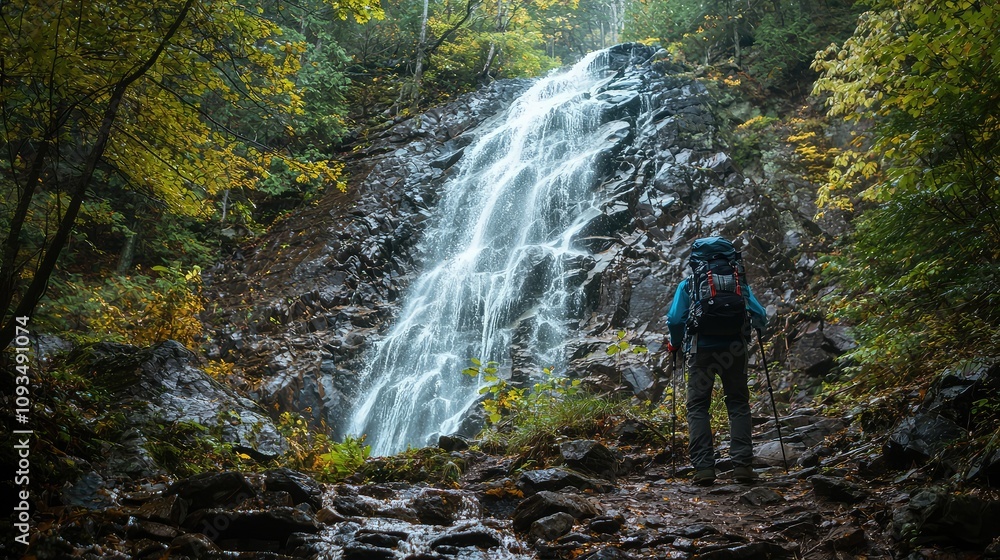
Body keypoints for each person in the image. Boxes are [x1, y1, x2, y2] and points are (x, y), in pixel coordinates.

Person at [665, 237, 767, 486]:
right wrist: (754, 330)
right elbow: (760, 315)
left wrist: (675, 344)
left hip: (701, 351)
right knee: (738, 404)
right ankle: (742, 466)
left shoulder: (689, 284)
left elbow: (676, 320)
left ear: (696, 260)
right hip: (735, 350)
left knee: (698, 407)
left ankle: (704, 469)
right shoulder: (739, 283)